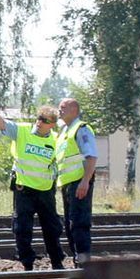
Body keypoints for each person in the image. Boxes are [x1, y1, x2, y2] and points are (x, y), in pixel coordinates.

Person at [0, 100, 63, 271]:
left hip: (45, 191)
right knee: (22, 229)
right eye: (39, 118)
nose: (39, 122)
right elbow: (2, 124)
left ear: (51, 124)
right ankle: (27, 263)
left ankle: (56, 262)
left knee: (52, 228)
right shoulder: (22, 131)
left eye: (44, 120)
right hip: (24, 190)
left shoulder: (55, 140)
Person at [55, 96, 98, 263]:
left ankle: (83, 261)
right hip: (68, 184)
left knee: (79, 224)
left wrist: (85, 181)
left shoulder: (81, 129)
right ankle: (77, 260)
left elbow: (91, 156)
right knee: (70, 224)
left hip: (79, 183)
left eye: (63, 107)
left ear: (74, 110)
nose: (60, 110)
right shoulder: (64, 132)